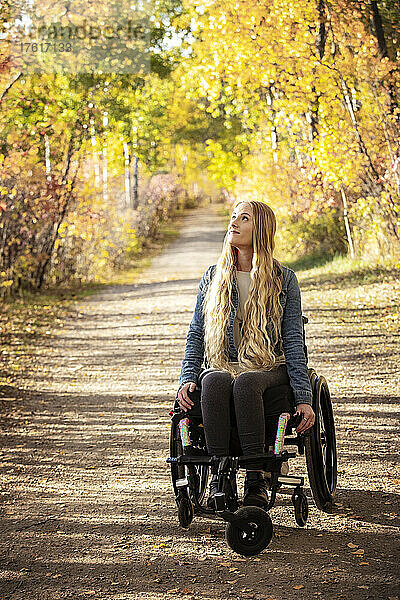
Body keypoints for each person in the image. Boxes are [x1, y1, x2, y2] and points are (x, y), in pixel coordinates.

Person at [177, 200, 315, 508]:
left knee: (247, 382)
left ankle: (256, 479)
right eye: (233, 217)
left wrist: (304, 398)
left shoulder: (284, 279)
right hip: (225, 363)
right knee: (212, 381)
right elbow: (196, 333)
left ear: (261, 229)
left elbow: (293, 340)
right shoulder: (213, 277)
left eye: (244, 218)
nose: (234, 223)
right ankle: (219, 476)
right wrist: (187, 377)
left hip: (269, 364)